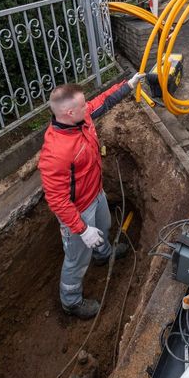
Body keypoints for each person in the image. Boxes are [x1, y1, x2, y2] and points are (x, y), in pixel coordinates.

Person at [38, 73, 144, 319]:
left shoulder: (80, 119)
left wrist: (128, 85)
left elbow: (102, 101)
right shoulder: (56, 153)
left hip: (95, 193)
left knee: (104, 225)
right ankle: (71, 301)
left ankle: (103, 254)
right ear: (69, 113)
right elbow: (57, 200)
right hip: (77, 212)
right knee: (76, 259)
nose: (88, 107)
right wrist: (82, 230)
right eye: (82, 105)